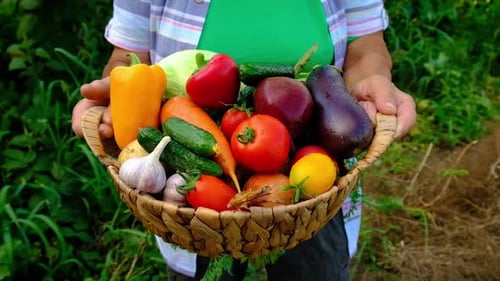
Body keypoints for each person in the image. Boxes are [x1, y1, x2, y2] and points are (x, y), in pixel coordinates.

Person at [72, 1, 417, 280]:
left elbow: (367, 45)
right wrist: (115, 91)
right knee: (202, 271)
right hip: (188, 189)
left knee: (316, 268)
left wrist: (372, 78)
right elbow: (127, 56)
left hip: (317, 169)